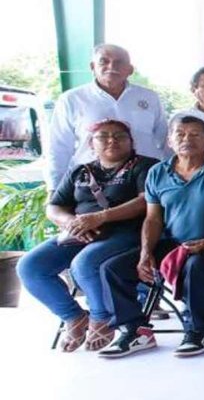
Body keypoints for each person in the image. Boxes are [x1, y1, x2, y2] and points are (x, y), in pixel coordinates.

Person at [108, 117, 204, 358]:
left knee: (194, 266)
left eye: (195, 134)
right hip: (174, 243)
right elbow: (153, 219)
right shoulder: (158, 173)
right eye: (180, 134)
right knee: (114, 268)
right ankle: (134, 330)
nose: (187, 139)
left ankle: (199, 331)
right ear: (170, 141)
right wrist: (146, 253)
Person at [20, 119, 158, 354]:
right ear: (91, 143)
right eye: (103, 136)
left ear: (131, 142)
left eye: (119, 136)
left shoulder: (145, 166)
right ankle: (73, 317)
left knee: (83, 264)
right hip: (78, 234)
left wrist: (101, 217)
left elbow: (146, 201)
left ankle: (101, 318)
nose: (112, 140)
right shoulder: (81, 171)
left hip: (126, 232)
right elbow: (54, 207)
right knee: (30, 266)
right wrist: (73, 223)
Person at [47, 44, 169, 190]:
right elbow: (58, 147)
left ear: (130, 69)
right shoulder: (72, 99)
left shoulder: (149, 98)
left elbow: (165, 140)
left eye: (119, 62)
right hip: (92, 184)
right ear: (92, 66)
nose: (111, 66)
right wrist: (54, 188)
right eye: (103, 61)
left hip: (145, 181)